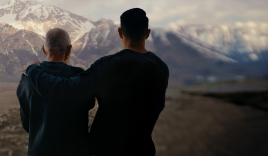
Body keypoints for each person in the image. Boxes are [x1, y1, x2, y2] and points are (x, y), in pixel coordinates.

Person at [23, 8, 169, 156]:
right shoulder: (161, 68)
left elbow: (59, 89)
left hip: (105, 150)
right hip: (143, 150)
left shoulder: (107, 65)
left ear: (120, 32)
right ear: (148, 33)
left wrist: (32, 69)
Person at [17, 28, 95, 156]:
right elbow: (89, 105)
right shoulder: (79, 75)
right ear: (69, 49)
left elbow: (27, 123)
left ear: (44, 49)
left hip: (40, 150)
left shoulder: (26, 78)